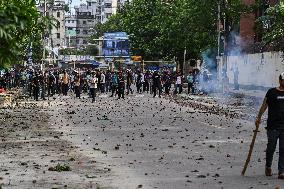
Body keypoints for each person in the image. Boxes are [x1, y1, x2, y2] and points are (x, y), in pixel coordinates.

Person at [256, 72, 284, 179]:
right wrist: (258, 118)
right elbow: (264, 105)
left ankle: (281, 171)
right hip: (273, 126)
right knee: (271, 148)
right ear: (280, 80)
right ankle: (268, 166)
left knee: (283, 149)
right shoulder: (271, 92)